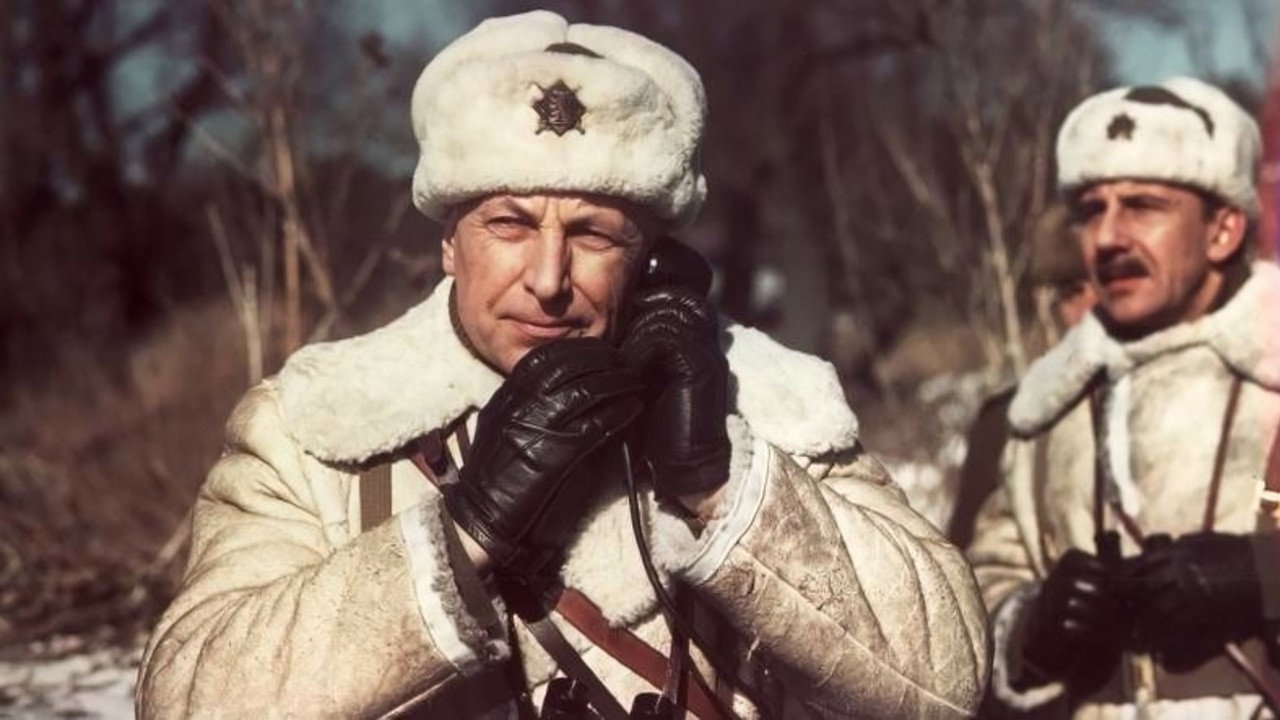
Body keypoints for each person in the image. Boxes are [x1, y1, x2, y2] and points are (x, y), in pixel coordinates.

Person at [135, 11, 987, 719]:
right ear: (449, 244)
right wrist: (461, 531)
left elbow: (947, 680)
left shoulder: (776, 406)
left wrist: (719, 482)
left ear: (652, 260)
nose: (547, 279)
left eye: (592, 234)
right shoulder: (317, 427)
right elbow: (183, 698)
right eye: (509, 225)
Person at [967, 76, 1280, 718]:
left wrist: (1261, 574)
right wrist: (1030, 624)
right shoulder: (1044, 408)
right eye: (1091, 209)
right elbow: (987, 577)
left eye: (1143, 206)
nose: (1107, 237)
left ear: (1223, 229)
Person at [947, 203, 1096, 551]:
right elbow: (968, 568)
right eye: (1072, 292)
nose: (1093, 309)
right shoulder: (1005, 426)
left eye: (1114, 283)